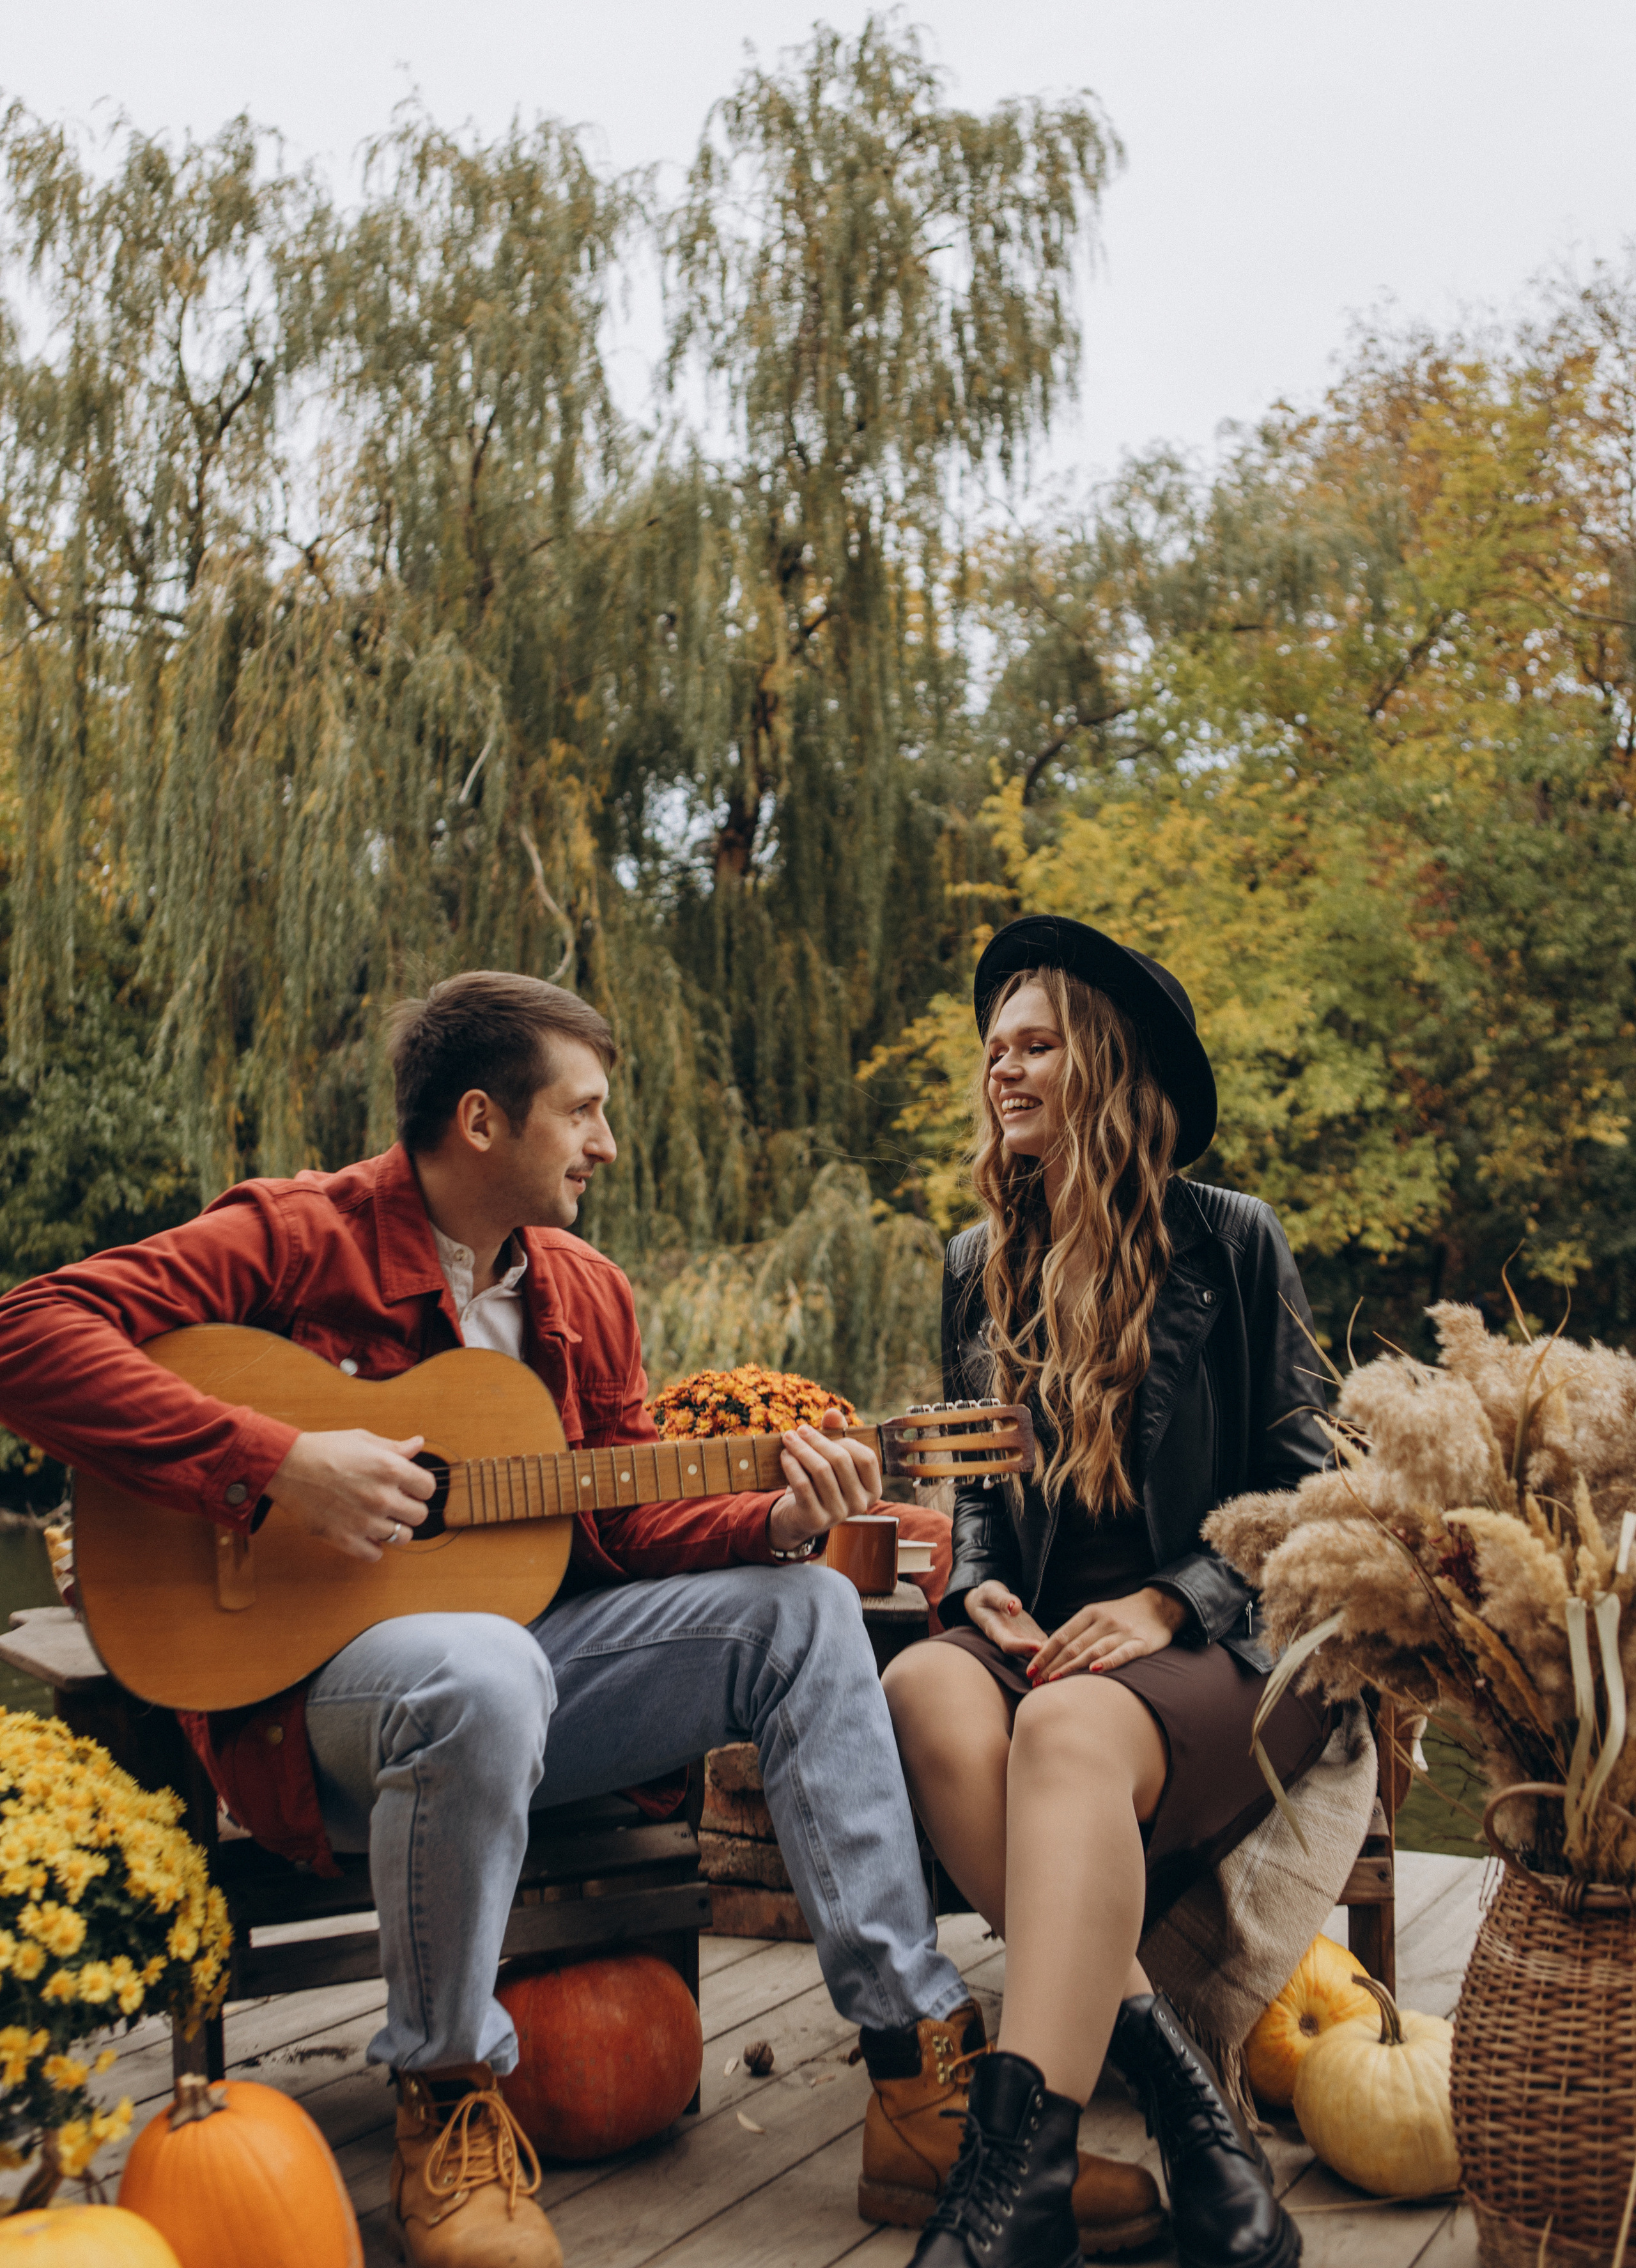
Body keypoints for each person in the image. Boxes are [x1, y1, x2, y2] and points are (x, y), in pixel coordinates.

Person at [0, 970, 1162, 2268]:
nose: (607, 1145)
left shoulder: (583, 1292)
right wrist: (271, 1462)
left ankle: (918, 2083)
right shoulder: (293, 1235)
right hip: (310, 1717)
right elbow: (28, 1332)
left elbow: (616, 1520)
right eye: (585, 1113)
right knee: (481, 1662)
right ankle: (446, 2096)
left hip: (519, 1683)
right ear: (484, 1121)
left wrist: (777, 1518)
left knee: (804, 1611)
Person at [881, 916, 1332, 2268]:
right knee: (918, 1685)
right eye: (993, 1052)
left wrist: (1173, 1602)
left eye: (1034, 1046)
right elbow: (969, 1487)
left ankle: (1002, 2193)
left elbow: (1311, 1488)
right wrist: (974, 1595)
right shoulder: (978, 1266)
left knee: (1063, 1731)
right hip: (1050, 1642)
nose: (1002, 1072)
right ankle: (1203, 2141)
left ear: (1104, 1066)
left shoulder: (1232, 1243)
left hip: (1222, 1650)